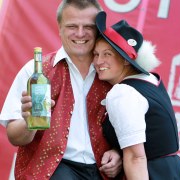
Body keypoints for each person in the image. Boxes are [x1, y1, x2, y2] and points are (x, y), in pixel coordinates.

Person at [0, 1, 123, 179]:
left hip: (102, 172)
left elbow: (132, 131)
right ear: (59, 28)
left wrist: (118, 153)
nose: (80, 33)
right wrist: (29, 122)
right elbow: (15, 137)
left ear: (98, 30)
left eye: (88, 27)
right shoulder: (36, 71)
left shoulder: (113, 74)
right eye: (72, 26)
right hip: (51, 171)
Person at [93, 11, 180, 180]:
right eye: (96, 54)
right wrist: (118, 150)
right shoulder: (151, 80)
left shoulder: (123, 92)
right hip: (173, 171)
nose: (99, 61)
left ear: (125, 60)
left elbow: (136, 158)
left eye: (107, 54)